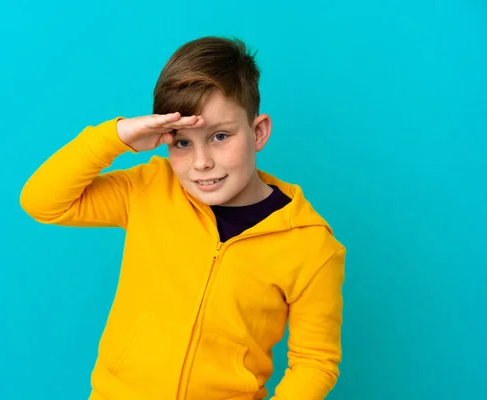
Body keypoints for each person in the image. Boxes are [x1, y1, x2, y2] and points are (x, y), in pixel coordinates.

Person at [20, 36, 346, 400]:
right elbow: (43, 201)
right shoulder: (148, 190)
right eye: (182, 142)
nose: (201, 162)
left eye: (220, 136)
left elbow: (315, 361)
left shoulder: (310, 243)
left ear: (258, 132)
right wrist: (116, 137)